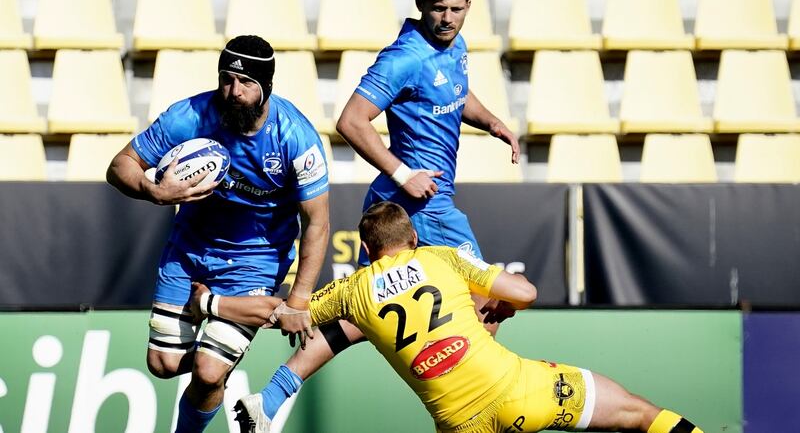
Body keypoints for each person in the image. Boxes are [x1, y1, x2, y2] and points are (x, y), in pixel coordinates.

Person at [251, 0, 522, 427]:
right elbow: (351, 120)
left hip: (409, 203)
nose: (448, 18)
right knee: (490, 296)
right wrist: (403, 175)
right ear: (421, 6)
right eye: (439, 9)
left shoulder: (454, 45)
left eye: (456, 9)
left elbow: (455, 91)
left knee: (364, 310)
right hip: (419, 207)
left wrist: (492, 123)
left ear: (470, 6)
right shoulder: (404, 57)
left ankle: (272, 396)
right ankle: (475, 407)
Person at [192, 201, 703, 433]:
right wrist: (497, 298)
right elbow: (525, 291)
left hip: (458, 422)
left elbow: (287, 317)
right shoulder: (441, 258)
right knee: (638, 414)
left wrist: (211, 304)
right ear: (413, 239)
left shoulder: (351, 291)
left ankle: (271, 398)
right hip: (516, 389)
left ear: (367, 251)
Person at [106, 35, 329, 433]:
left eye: (246, 84)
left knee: (208, 373)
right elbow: (121, 164)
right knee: (164, 365)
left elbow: (317, 222)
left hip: (255, 260)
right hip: (189, 249)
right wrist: (152, 189)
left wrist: (298, 300)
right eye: (227, 79)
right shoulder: (190, 115)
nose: (234, 92)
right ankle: (218, 345)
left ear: (267, 86)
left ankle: (215, 361)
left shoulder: (296, 137)